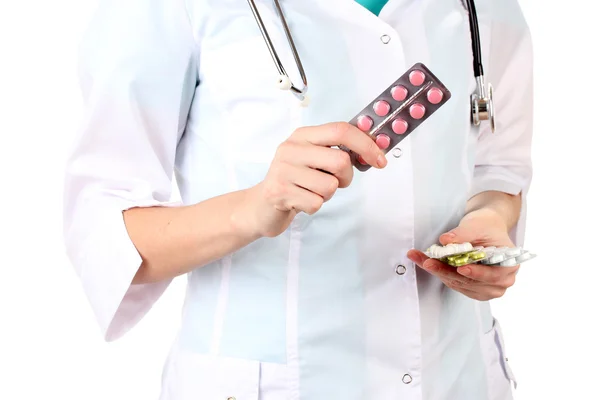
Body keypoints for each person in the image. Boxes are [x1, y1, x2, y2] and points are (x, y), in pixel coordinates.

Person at [63, 0, 533, 398]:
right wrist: (253, 208)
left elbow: (498, 170)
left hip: (457, 376)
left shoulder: (485, 8)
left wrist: (488, 220)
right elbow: (104, 232)